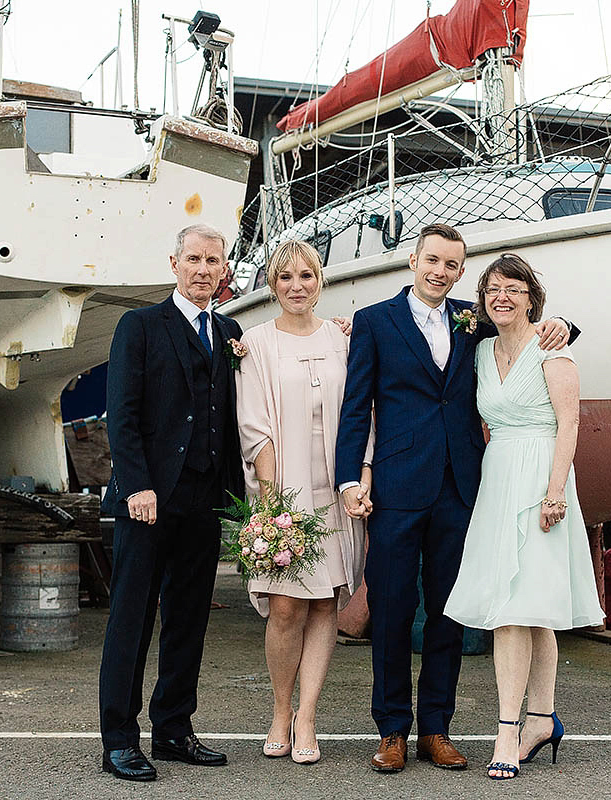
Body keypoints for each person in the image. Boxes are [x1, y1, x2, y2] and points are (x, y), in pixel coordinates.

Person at [335, 224, 577, 773]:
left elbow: (527, 324)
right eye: (433, 261)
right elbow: (356, 406)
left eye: (452, 265)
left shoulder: (475, 318)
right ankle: (393, 728)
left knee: (451, 611)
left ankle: (436, 729)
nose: (441, 272)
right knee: (393, 609)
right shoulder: (374, 322)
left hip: (464, 487)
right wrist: (351, 478)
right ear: (413, 261)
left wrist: (565, 325)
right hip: (396, 487)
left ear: (461, 270)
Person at [444, 253, 605, 781]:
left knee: (517, 609)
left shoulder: (554, 349)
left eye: (514, 288)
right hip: (499, 478)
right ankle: (542, 719)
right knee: (528, 605)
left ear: (532, 297)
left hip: (542, 477)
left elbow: (570, 423)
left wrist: (555, 492)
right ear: (483, 299)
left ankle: (507, 729)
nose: (502, 297)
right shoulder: (481, 349)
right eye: (493, 289)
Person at [98, 223, 243, 782]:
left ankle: (175, 729)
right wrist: (137, 486)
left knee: (187, 620)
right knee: (131, 620)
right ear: (174, 263)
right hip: (148, 499)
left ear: (224, 267)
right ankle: (119, 738)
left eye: (214, 260)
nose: (204, 269)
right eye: (194, 259)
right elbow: (123, 412)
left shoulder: (228, 329)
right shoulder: (139, 326)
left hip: (203, 499)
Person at [235, 240, 370, 765]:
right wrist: (271, 503)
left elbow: (365, 411)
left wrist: (360, 480)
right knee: (286, 605)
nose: (297, 285)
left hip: (336, 489)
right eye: (286, 277)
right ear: (273, 285)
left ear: (321, 280)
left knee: (323, 603)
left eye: (307, 275)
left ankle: (308, 716)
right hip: (285, 487)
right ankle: (279, 709)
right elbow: (254, 426)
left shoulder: (344, 339)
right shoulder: (256, 343)